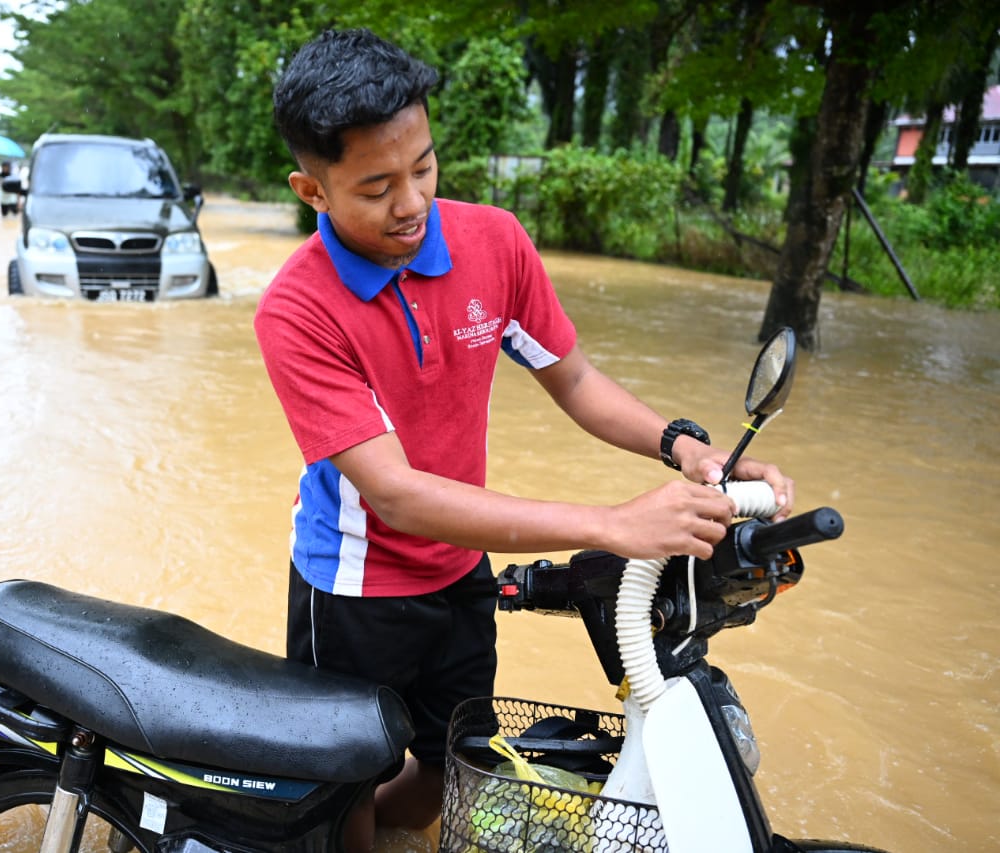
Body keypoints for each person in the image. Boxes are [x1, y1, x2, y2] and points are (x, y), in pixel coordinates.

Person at [252, 28, 794, 852]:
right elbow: (395, 493)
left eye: (424, 167)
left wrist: (683, 444)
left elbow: (574, 381)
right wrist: (611, 525)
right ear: (312, 190)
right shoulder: (297, 308)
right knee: (345, 791)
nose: (411, 203)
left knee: (446, 774)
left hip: (462, 571)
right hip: (353, 585)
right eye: (376, 186)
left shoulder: (494, 243)